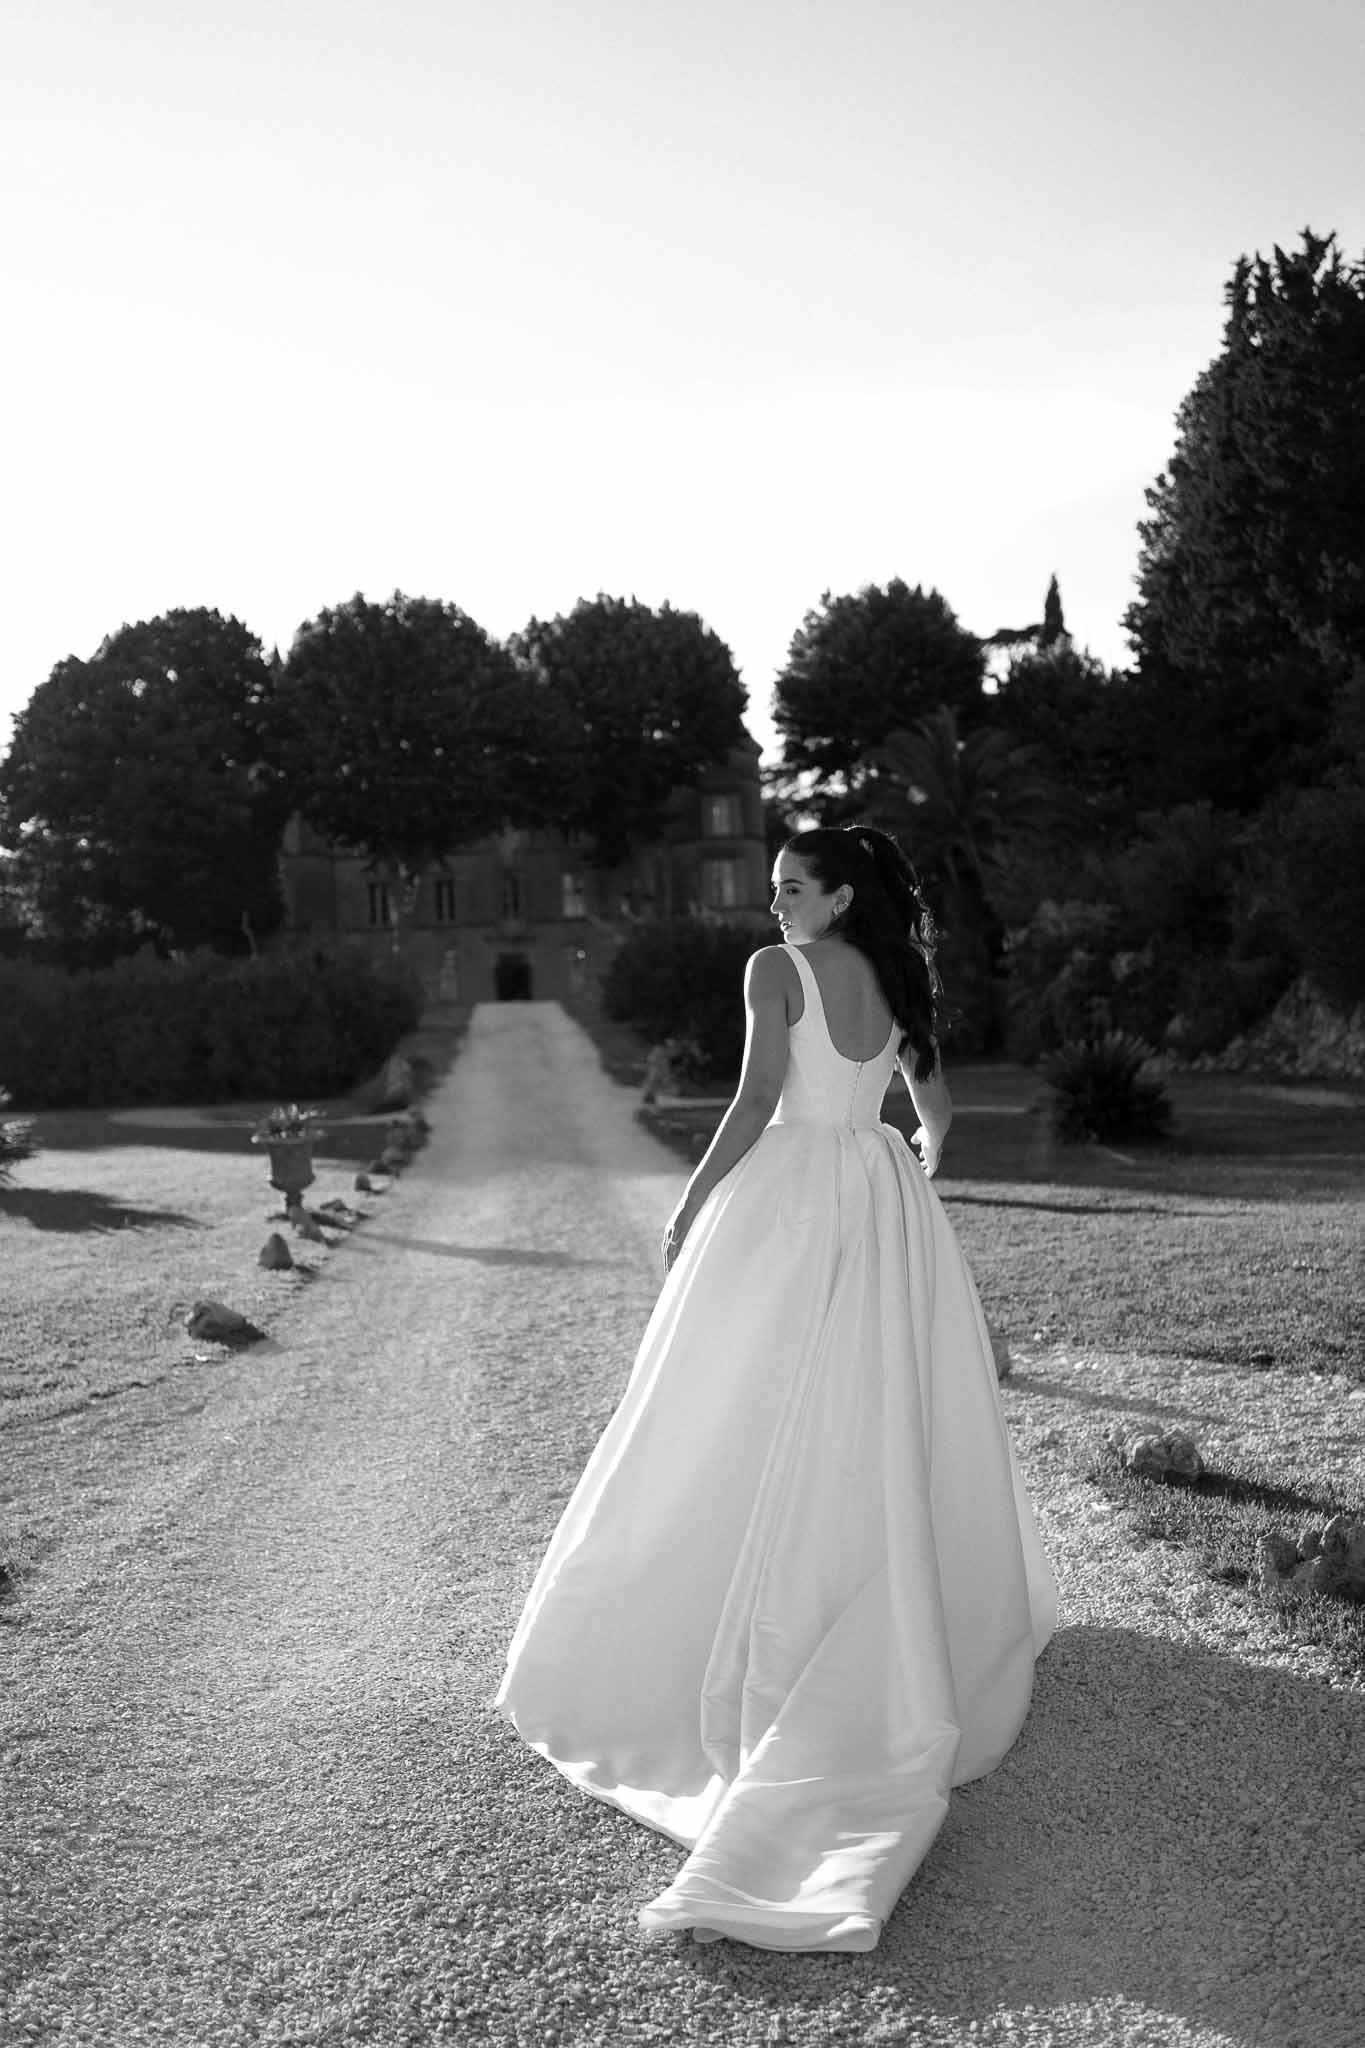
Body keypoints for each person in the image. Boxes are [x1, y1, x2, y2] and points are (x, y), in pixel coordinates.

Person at [494, 823, 1057, 1953]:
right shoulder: (899, 976)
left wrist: (690, 1201)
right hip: (880, 1193)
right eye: (777, 890)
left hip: (792, 1194)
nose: (777, 906)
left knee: (732, 1395)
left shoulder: (775, 971)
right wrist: (912, 1158)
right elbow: (934, 1109)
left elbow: (753, 1103)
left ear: (841, 896)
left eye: (795, 888)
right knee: (877, 1398)